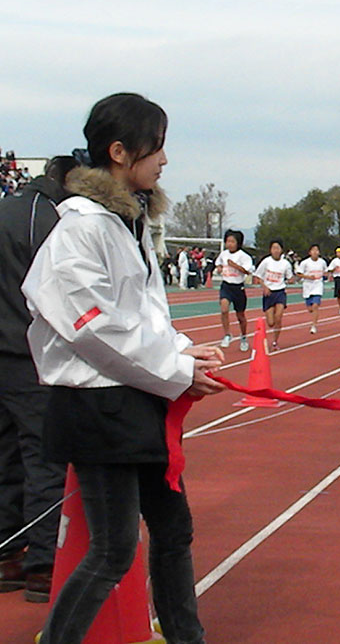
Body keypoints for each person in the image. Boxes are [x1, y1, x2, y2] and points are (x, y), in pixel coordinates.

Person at [21, 93, 226, 644]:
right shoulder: (81, 230)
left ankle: (187, 636)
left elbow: (146, 312)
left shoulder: (125, 223)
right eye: (156, 147)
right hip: (98, 406)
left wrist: (186, 352)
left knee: (173, 529)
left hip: (137, 397)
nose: (164, 160)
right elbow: (94, 328)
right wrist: (176, 369)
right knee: (113, 550)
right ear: (119, 152)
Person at [0, 156, 76, 603]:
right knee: (43, 457)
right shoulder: (48, 220)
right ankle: (44, 563)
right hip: (27, 353)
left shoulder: (12, 208)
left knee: (5, 453)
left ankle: (8, 552)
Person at [214, 229, 253, 352]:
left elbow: (247, 271)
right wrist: (220, 268)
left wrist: (234, 265)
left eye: (232, 241)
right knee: (224, 309)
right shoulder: (224, 254)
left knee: (240, 316)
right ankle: (227, 334)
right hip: (226, 285)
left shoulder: (244, 256)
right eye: (228, 241)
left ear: (238, 243)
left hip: (238, 288)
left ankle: (243, 337)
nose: (229, 244)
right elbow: (218, 263)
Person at [254, 238, 293, 350]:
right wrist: (264, 286)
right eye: (273, 248)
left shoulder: (285, 264)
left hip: (280, 292)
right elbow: (257, 276)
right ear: (270, 250)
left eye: (278, 248)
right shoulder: (266, 261)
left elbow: (290, 277)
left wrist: (291, 280)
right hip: (268, 293)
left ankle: (275, 342)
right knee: (271, 322)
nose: (276, 250)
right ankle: (273, 333)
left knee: (278, 317)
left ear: (281, 250)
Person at [296, 243, 328, 333]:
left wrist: (326, 274)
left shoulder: (322, 262)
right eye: (313, 250)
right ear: (310, 252)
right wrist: (308, 277)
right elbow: (299, 273)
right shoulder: (305, 262)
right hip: (308, 286)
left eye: (317, 250)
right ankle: (310, 309)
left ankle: (313, 326)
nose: (315, 252)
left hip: (318, 285)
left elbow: (326, 271)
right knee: (310, 308)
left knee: (315, 306)